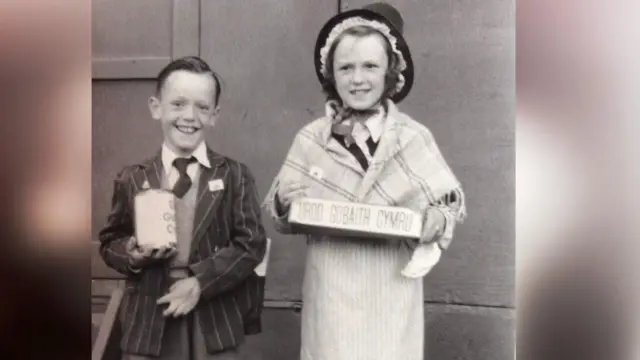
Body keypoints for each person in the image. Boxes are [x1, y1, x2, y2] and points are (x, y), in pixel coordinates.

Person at [262, 3, 466, 359]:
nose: (358, 79)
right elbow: (278, 212)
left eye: (370, 66)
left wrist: (438, 218)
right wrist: (283, 199)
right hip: (332, 290)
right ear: (332, 75)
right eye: (346, 68)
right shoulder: (312, 139)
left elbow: (448, 200)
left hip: (390, 287)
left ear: (390, 72)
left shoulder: (412, 137)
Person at [98, 56, 267, 360]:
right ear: (156, 107)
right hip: (149, 321)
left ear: (215, 115)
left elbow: (251, 244)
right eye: (178, 104)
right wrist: (132, 254)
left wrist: (200, 282)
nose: (189, 116)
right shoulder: (133, 177)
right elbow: (110, 242)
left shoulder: (233, 174)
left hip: (212, 323)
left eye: (202, 107)